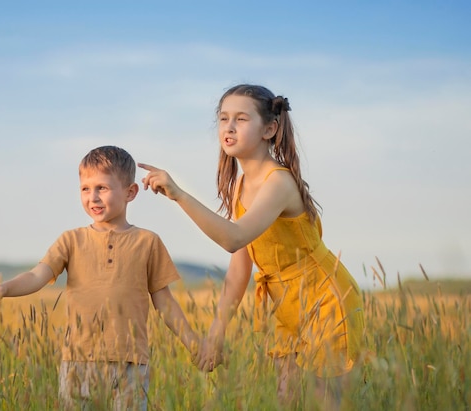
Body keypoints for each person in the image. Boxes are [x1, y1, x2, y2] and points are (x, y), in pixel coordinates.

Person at [139, 84, 365, 408]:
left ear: (269, 129)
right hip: (284, 307)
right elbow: (239, 264)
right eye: (223, 118)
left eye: (241, 119)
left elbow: (233, 236)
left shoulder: (279, 183)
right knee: (285, 401)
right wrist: (217, 331)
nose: (228, 127)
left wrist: (179, 195)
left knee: (325, 403)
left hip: (326, 300)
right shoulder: (240, 185)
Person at [0, 145, 199, 410]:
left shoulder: (147, 242)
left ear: (130, 192)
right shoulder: (71, 240)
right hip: (79, 362)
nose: (92, 197)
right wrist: (6, 288)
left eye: (102, 188)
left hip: (130, 363)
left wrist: (194, 344)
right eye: (85, 189)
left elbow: (164, 302)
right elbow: (37, 275)